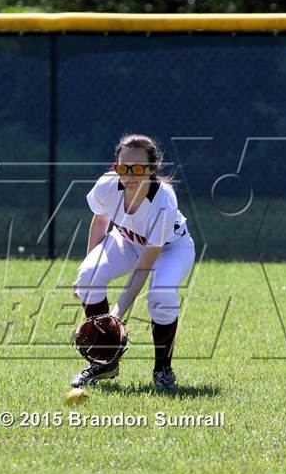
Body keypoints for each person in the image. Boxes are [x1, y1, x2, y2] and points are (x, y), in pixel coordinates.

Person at [72, 134, 195, 392]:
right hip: (126, 240)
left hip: (171, 249)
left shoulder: (164, 201)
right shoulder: (107, 185)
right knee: (87, 277)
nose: (129, 174)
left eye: (138, 168)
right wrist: (87, 270)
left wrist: (115, 315)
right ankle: (104, 363)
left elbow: (144, 266)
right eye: (122, 167)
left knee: (160, 294)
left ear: (152, 169)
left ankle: (163, 369)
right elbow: (100, 222)